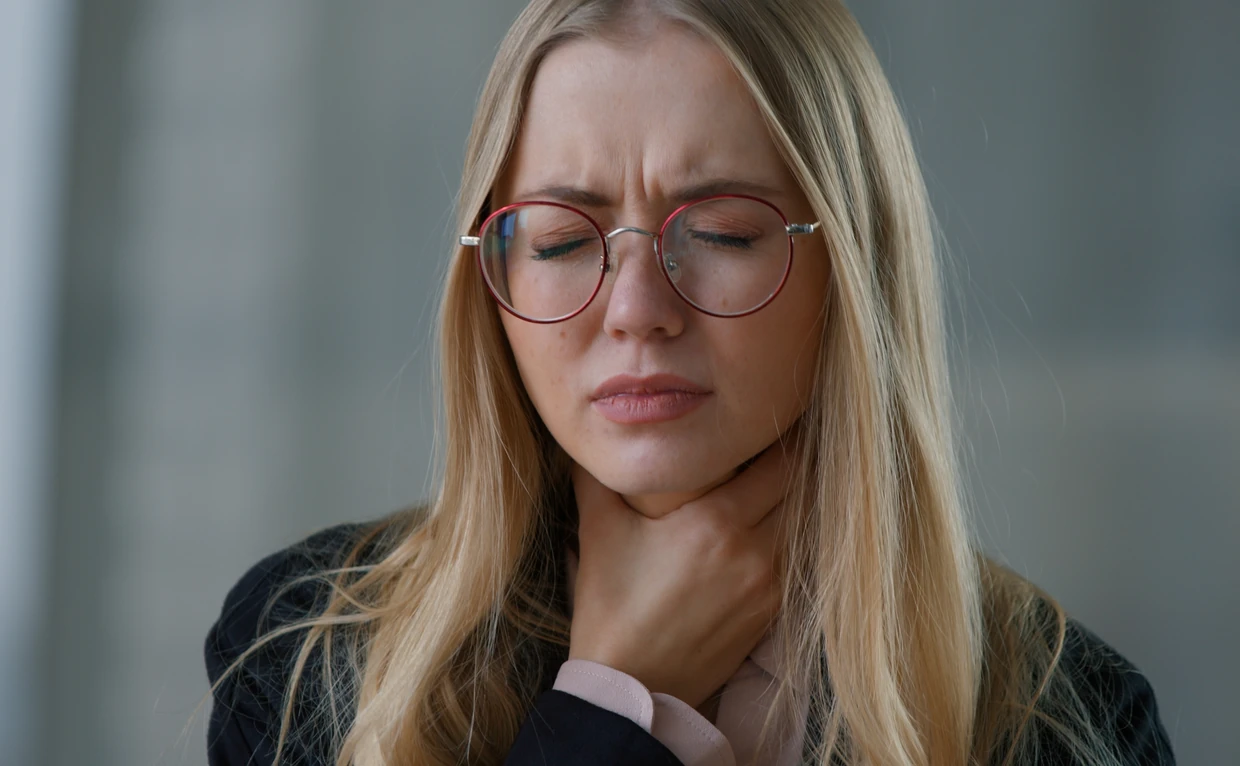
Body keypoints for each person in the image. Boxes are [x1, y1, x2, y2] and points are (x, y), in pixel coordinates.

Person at [202, 1, 1175, 764]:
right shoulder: (300, 651)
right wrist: (615, 699)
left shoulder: (1064, 718)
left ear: (853, 268)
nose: (635, 308)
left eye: (722, 233)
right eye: (561, 241)